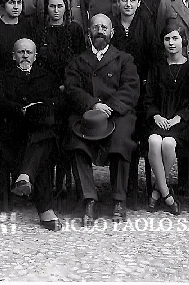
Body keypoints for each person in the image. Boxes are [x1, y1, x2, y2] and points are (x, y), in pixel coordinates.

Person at [65, 14, 140, 225]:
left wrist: (110, 107)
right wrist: (93, 104)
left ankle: (119, 200)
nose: (100, 31)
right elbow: (72, 88)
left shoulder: (124, 59)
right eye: (96, 27)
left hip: (116, 113)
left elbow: (131, 89)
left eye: (104, 28)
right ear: (88, 32)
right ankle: (89, 199)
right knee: (77, 143)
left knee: (121, 140)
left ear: (112, 32)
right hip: (87, 113)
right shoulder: (78, 61)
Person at [0, 38, 64, 231]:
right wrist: (19, 110)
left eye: (29, 52)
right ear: (13, 56)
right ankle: (45, 211)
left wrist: (38, 109)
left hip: (41, 130)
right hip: (15, 134)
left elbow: (56, 103)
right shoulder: (3, 77)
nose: (25, 56)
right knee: (42, 152)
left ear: (35, 56)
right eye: (21, 52)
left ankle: (24, 177)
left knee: (44, 140)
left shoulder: (46, 76)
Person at [144, 24, 189, 215]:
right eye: (167, 39)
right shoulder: (156, 67)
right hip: (159, 119)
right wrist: (156, 116)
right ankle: (166, 193)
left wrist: (179, 118)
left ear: (183, 41)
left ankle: (157, 190)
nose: (171, 43)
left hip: (184, 123)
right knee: (154, 140)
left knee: (169, 143)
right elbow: (148, 98)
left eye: (175, 38)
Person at [34, 0, 86, 84]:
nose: (56, 10)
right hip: (45, 80)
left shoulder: (74, 29)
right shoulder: (39, 30)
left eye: (60, 6)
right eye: (52, 6)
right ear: (46, 7)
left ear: (65, 7)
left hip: (71, 80)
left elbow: (81, 58)